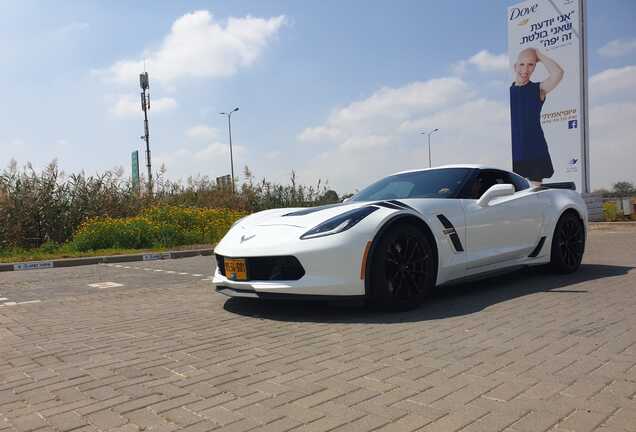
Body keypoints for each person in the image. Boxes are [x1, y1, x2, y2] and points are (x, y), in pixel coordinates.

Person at [510, 48, 564, 187]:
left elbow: (558, 73)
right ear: (515, 66)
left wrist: (538, 54)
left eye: (531, 64)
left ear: (535, 66)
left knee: (534, 194)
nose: (525, 69)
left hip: (534, 148)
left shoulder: (538, 89)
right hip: (514, 151)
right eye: (522, 64)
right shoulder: (508, 92)